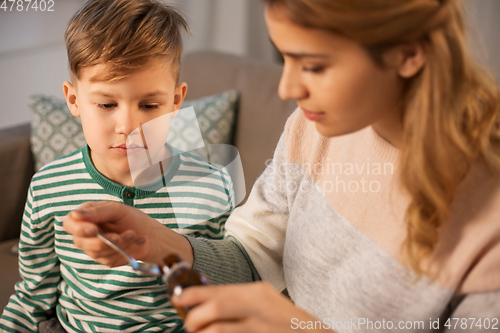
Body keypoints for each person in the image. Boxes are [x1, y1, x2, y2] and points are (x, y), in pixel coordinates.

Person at [62, 0, 500, 332]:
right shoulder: (314, 128)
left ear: (408, 54)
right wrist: (159, 244)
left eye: (313, 65)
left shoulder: (488, 222)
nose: (288, 88)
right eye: (284, 57)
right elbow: (254, 260)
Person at [0, 1, 235, 332]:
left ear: (176, 101)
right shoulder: (48, 188)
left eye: (149, 105)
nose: (128, 125)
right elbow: (32, 297)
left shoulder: (210, 184)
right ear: (73, 100)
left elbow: (226, 286)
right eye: (107, 104)